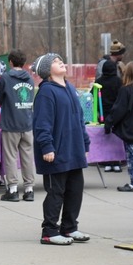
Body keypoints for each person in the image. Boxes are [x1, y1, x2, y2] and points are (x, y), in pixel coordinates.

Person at [32, 53, 90, 246]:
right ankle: (49, 231)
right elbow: (42, 123)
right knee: (56, 192)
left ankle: (69, 227)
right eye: (56, 62)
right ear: (47, 70)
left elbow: (79, 119)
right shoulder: (47, 92)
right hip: (55, 153)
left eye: (60, 60)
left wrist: (85, 143)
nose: (61, 63)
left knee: (75, 190)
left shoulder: (70, 88)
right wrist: (47, 147)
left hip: (74, 151)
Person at [0, 49, 36, 202]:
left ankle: (12, 189)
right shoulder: (30, 79)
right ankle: (29, 189)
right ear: (23, 62)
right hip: (27, 123)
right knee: (27, 157)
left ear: (10, 62)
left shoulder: (5, 78)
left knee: (10, 156)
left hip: (11, 123)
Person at [104, 62, 133, 192]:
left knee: (132, 155)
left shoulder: (126, 90)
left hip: (130, 128)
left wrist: (109, 122)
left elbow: (119, 109)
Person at [95, 58, 123, 172]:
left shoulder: (99, 81)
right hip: (117, 113)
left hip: (103, 113)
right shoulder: (118, 81)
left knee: (106, 138)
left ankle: (106, 161)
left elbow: (94, 95)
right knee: (117, 138)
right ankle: (117, 162)